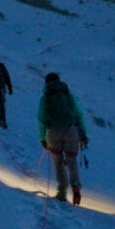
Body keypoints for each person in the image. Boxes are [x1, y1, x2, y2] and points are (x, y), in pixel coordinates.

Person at [38, 72, 88, 204]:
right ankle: (75, 185)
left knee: (58, 161)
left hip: (54, 131)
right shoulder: (68, 95)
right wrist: (83, 133)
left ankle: (62, 192)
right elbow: (79, 114)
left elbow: (41, 120)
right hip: (71, 130)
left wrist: (42, 138)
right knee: (71, 159)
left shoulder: (45, 98)